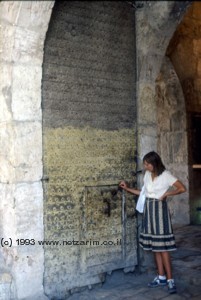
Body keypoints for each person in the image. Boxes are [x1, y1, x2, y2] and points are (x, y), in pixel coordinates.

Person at [119, 151, 186, 294]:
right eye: (144, 164)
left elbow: (182, 188)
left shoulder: (166, 175)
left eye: (147, 164)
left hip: (160, 212)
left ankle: (170, 279)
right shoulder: (147, 175)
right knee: (156, 247)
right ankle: (161, 277)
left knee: (163, 248)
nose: (145, 166)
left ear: (154, 163)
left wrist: (167, 193)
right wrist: (127, 188)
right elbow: (143, 194)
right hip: (149, 211)